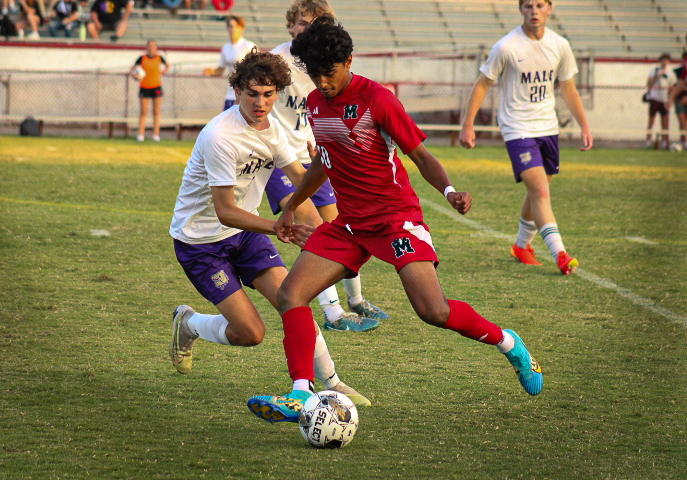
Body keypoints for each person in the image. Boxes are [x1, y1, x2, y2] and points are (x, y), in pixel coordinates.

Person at [247, 16, 543, 424]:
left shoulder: (379, 100)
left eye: (329, 73)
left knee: (433, 311)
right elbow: (324, 162)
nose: (323, 82)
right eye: (315, 74)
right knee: (290, 295)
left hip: (394, 221)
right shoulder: (315, 104)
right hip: (350, 224)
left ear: (349, 60)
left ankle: (509, 343)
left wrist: (450, 190)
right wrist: (292, 204)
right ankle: (301, 392)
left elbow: (420, 155)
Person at [168, 49, 370, 411]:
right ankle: (191, 323)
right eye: (252, 93)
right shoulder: (220, 136)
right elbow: (225, 211)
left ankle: (332, 382)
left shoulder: (274, 130)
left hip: (245, 235)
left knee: (293, 298)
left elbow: (301, 181)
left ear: (278, 93)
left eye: (269, 93)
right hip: (201, 242)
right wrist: (278, 226)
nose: (260, 102)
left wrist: (326, 170)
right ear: (237, 90)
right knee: (251, 333)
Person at [265, 0, 387, 332]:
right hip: (278, 157)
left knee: (344, 229)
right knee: (315, 230)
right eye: (303, 23)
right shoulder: (275, 62)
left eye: (317, 23)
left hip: (313, 156)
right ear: (291, 26)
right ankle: (333, 314)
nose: (309, 29)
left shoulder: (326, 63)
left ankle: (356, 300)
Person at [459, 0, 593, 275]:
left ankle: (522, 246)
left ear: (549, 9)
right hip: (517, 128)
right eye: (529, 5)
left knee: (538, 190)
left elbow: (568, 87)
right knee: (541, 191)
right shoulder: (506, 47)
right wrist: (467, 124)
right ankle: (561, 254)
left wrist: (584, 125)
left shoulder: (560, 45)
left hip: (548, 128)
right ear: (521, 9)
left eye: (540, 5)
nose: (534, 10)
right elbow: (483, 83)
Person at [203, 15, 256, 111]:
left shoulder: (249, 46)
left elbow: (259, 69)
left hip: (245, 94)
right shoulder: (226, 48)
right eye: (230, 26)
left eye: (236, 26)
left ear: (242, 29)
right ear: (227, 28)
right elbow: (220, 70)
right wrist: (211, 71)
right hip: (231, 94)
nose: (233, 29)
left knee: (243, 125)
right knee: (226, 124)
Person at [131, 40, 169, 142]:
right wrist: (136, 76)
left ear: (156, 47)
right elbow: (133, 69)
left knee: (156, 111)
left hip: (156, 86)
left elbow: (167, 66)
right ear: (147, 47)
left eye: (153, 46)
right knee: (143, 111)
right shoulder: (142, 58)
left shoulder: (159, 58)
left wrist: (163, 71)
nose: (151, 48)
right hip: (144, 87)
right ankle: (141, 134)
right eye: (150, 46)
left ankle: (156, 135)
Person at [644, 53, 675, 149]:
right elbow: (649, 84)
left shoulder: (671, 73)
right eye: (663, 59)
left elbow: (672, 88)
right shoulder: (654, 70)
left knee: (665, 122)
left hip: (664, 100)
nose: (664, 62)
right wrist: (657, 75)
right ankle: (648, 140)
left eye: (666, 60)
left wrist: (670, 100)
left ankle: (665, 141)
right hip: (654, 98)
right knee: (651, 120)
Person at [667, 50, 687, 149]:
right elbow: (682, 81)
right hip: (680, 99)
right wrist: (671, 98)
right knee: (682, 121)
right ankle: (684, 141)